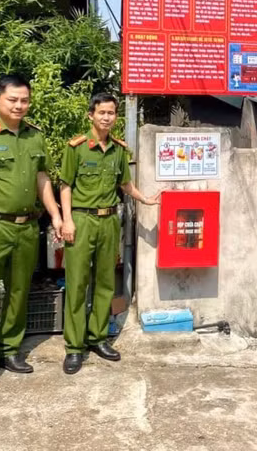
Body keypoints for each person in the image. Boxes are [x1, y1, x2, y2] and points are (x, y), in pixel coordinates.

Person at [0, 74, 63, 395]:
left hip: (27, 227)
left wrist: (56, 214)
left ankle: (10, 350)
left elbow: (42, 178)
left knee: (19, 291)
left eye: (24, 100)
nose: (19, 105)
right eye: (12, 100)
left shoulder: (35, 136)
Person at [59, 92, 160, 375]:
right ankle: (74, 347)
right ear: (91, 115)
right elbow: (65, 186)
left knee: (105, 282)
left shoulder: (118, 150)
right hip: (82, 219)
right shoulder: (76, 148)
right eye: (102, 112)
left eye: (111, 113)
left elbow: (125, 184)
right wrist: (67, 221)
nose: (107, 117)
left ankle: (98, 337)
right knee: (77, 284)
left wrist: (145, 199)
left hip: (109, 221)